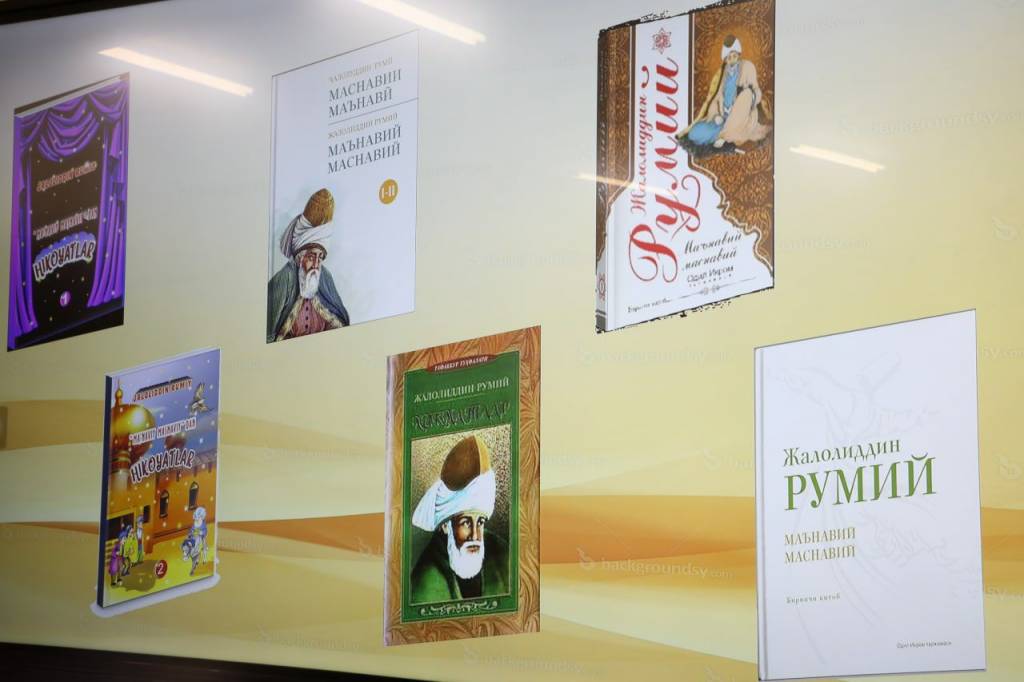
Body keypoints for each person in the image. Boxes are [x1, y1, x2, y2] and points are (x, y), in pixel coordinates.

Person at [409, 435, 509, 602]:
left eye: (480, 522)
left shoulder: (502, 554)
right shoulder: (424, 582)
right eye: (465, 523)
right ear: (445, 526)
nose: (475, 536)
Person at [267, 188, 350, 342]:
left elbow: (339, 322)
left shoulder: (324, 277)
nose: (316, 264)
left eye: (320, 258)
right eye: (311, 257)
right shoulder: (284, 280)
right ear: (300, 258)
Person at [681, 35, 771, 150]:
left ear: (738, 55)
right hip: (723, 117)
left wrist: (748, 96)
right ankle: (722, 132)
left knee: (747, 94)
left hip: (741, 116)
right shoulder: (725, 72)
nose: (732, 60)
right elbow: (718, 97)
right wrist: (715, 116)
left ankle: (725, 136)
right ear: (725, 59)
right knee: (694, 133)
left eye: (734, 56)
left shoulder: (748, 66)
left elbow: (757, 92)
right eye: (729, 58)